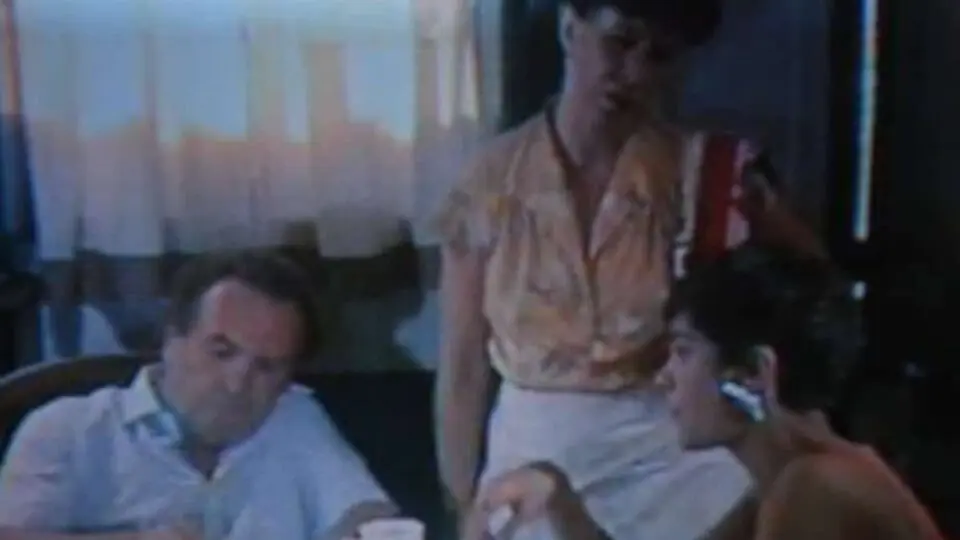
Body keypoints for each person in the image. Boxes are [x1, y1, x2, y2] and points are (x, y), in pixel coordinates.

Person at [434, 0, 824, 538]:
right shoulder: (488, 181)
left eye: (659, 56)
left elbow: (815, 287)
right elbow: (463, 363)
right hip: (535, 441)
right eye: (618, 43)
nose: (634, 72)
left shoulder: (700, 172)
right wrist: (461, 501)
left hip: (666, 442)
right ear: (570, 29)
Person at [464, 244, 945, 540]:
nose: (664, 377)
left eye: (684, 352)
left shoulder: (815, 490)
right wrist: (558, 494)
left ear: (754, 372)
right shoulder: (785, 482)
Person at [0, 250, 397, 540]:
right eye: (221, 352)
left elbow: (368, 516)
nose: (237, 384)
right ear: (171, 339)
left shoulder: (294, 414)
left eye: (267, 367)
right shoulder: (68, 429)